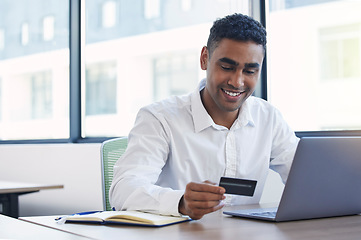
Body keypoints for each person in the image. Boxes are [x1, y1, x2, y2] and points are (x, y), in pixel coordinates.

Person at [109, 13, 299, 220]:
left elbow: (308, 175)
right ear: (204, 59)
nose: (237, 82)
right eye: (227, 67)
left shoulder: (269, 118)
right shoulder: (159, 118)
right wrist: (180, 202)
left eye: (250, 71)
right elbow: (123, 190)